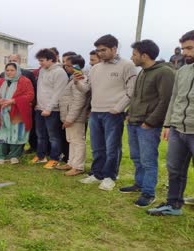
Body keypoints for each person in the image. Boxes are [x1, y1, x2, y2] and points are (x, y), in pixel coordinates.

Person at [75, 34, 137, 191]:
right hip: (96, 111)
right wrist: (77, 81)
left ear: (114, 48)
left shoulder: (127, 65)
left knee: (112, 147)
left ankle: (110, 176)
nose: (100, 53)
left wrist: (119, 108)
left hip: (113, 113)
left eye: (103, 50)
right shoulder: (95, 68)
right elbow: (86, 88)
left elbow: (132, 90)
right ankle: (97, 174)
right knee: (97, 146)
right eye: (98, 50)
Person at [118, 40, 175, 207]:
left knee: (148, 160)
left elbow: (166, 101)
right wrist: (129, 113)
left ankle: (149, 192)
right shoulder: (142, 72)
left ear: (145, 55)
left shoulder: (164, 72)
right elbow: (136, 97)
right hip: (134, 122)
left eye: (134, 54)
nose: (132, 57)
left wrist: (150, 122)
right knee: (136, 157)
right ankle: (139, 184)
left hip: (148, 125)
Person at [147, 30, 194, 216]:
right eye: (184, 48)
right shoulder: (182, 71)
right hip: (177, 129)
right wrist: (168, 124)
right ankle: (173, 205)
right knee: (174, 169)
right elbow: (174, 99)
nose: (185, 53)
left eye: (190, 48)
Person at [0, 63, 34, 164]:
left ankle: (14, 155)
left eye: (12, 70)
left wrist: (13, 101)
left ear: (17, 70)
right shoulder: (0, 81)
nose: (9, 72)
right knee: (1, 134)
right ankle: (0, 155)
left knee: (16, 133)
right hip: (2, 113)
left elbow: (30, 96)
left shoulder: (25, 81)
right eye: (7, 70)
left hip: (18, 113)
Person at [33, 48, 68, 169]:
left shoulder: (59, 72)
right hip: (40, 107)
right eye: (39, 61)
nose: (40, 63)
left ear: (51, 59)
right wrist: (38, 105)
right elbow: (41, 89)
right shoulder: (42, 70)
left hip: (52, 110)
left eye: (42, 60)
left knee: (53, 136)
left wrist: (49, 108)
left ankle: (54, 158)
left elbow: (58, 92)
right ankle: (41, 156)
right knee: (40, 134)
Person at [58, 55, 89, 176]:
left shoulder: (80, 79)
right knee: (71, 140)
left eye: (68, 65)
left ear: (77, 66)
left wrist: (70, 118)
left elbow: (78, 101)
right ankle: (71, 163)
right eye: (65, 64)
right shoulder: (72, 78)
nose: (66, 66)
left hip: (75, 117)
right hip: (69, 115)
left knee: (77, 141)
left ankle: (78, 166)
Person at [0, 54, 38, 154]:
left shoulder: (27, 74)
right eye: (11, 60)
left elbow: (33, 92)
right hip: (5, 109)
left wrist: (31, 104)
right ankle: (5, 150)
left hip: (20, 108)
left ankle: (17, 151)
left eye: (15, 60)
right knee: (6, 129)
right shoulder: (3, 75)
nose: (10, 72)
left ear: (20, 61)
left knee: (19, 130)